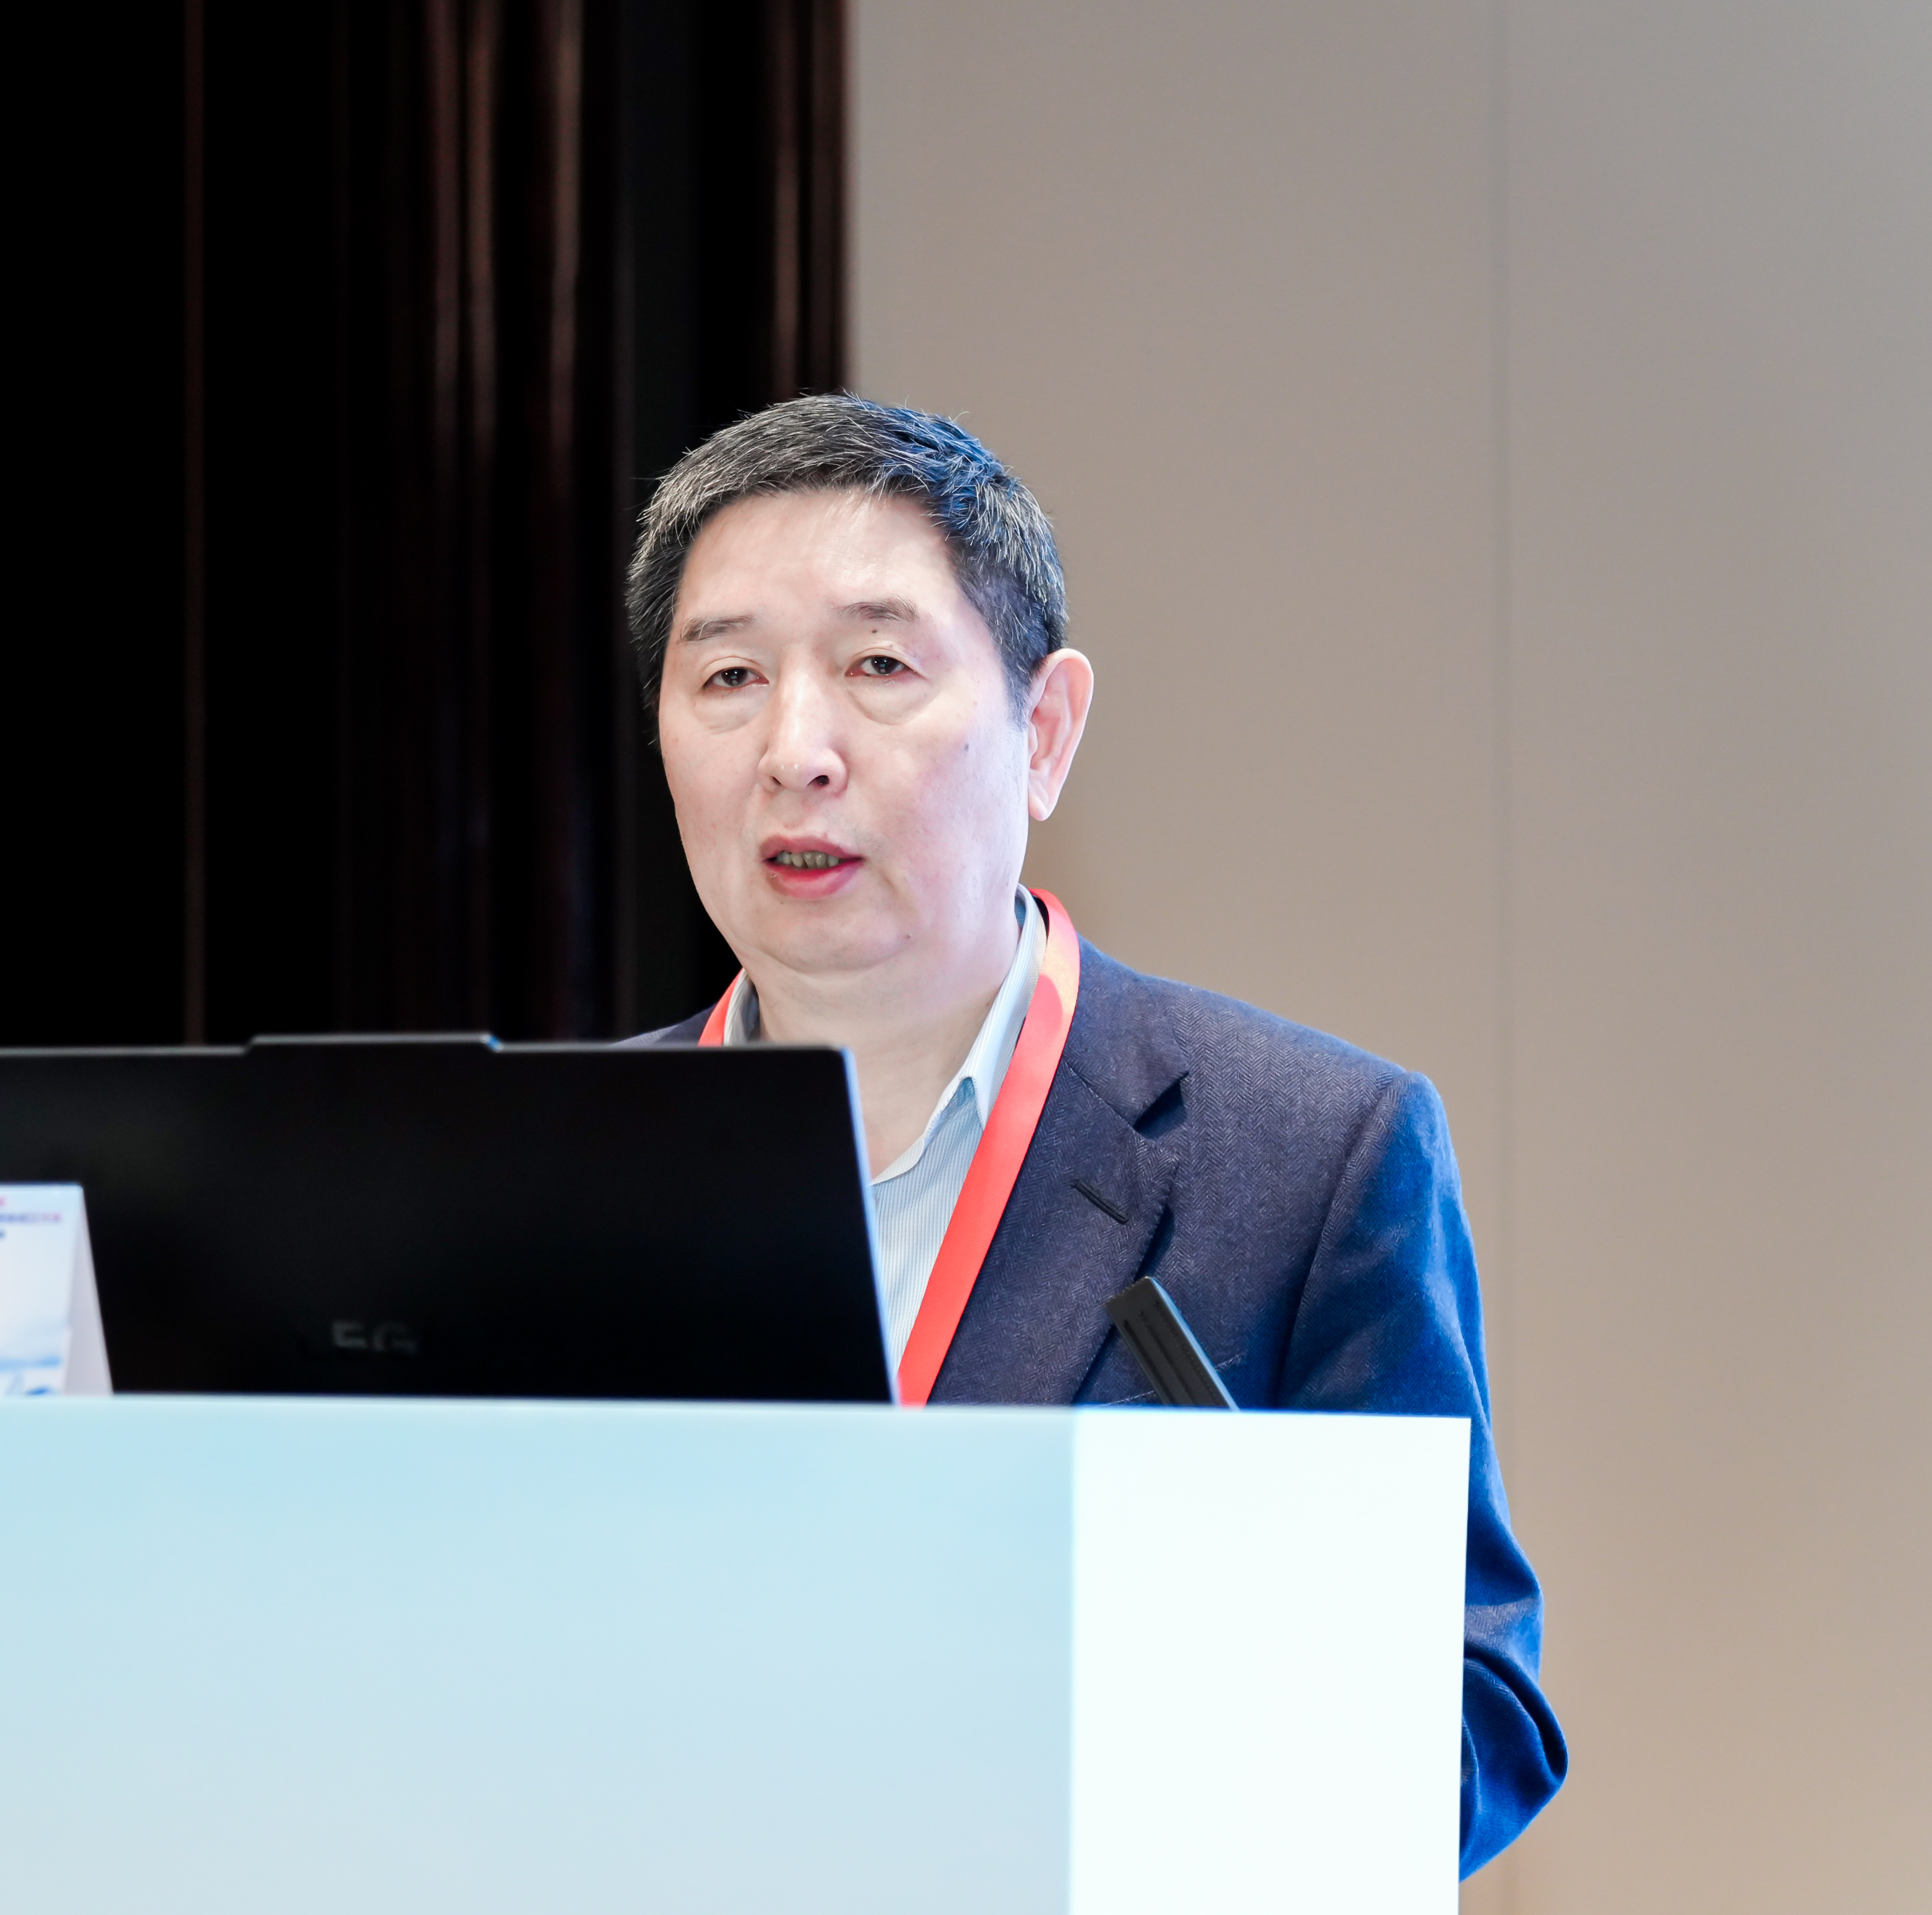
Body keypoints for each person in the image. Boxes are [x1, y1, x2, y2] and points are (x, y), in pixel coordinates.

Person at [624, 393, 1566, 1874]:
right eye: (729, 677)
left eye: (878, 667)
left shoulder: (1312, 1154)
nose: (796, 749)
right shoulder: (547, 1167)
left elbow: (1472, 1723)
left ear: (1045, 732)